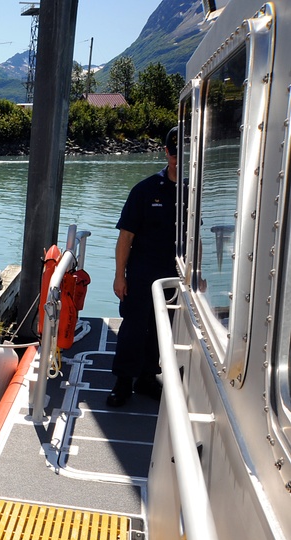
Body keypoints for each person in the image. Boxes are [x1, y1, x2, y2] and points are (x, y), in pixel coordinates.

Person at [107, 127, 180, 407]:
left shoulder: (192, 193)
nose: (176, 160)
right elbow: (125, 237)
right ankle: (123, 382)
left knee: (163, 330)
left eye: (182, 155)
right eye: (173, 154)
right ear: (166, 153)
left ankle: (148, 377)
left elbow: (195, 237)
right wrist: (119, 276)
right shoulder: (145, 190)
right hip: (142, 273)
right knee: (134, 328)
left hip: (175, 276)